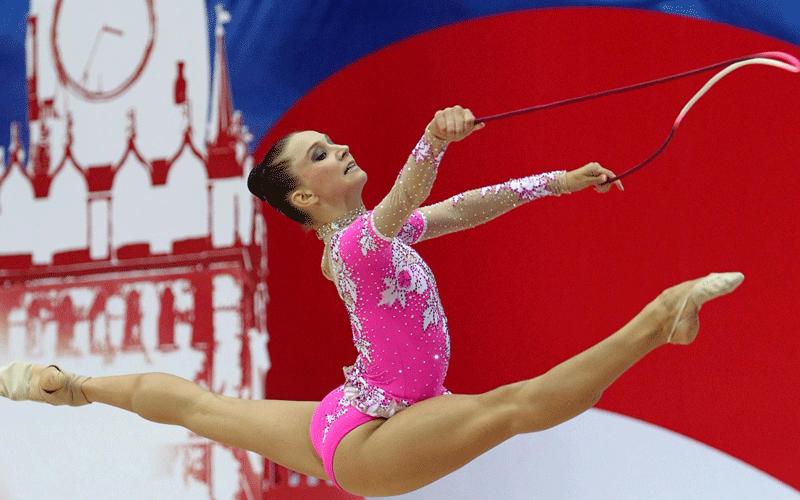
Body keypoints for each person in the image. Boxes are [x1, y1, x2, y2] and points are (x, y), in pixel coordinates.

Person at [0, 106, 743, 497]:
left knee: (201, 407)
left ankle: (74, 389)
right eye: (319, 156)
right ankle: (658, 319)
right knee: (515, 406)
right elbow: (408, 198)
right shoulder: (350, 247)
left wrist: (557, 181)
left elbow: (460, 208)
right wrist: (432, 138)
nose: (338, 151)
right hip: (372, 439)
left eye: (331, 143)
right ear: (301, 196)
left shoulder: (375, 236)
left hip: (351, 413)